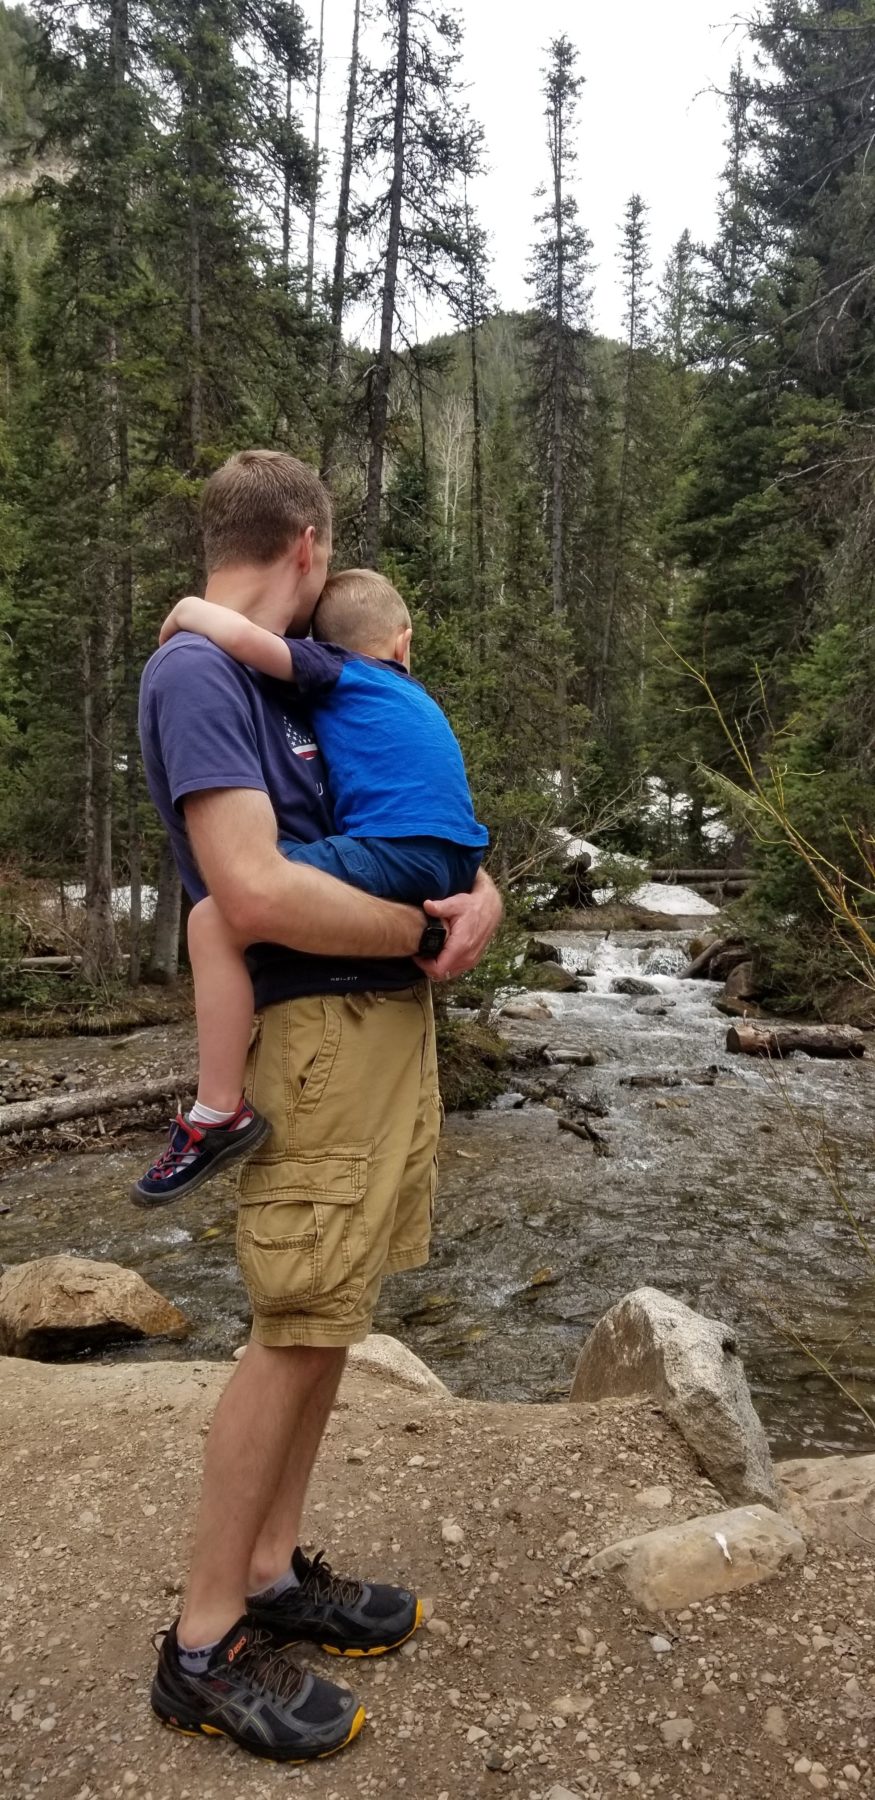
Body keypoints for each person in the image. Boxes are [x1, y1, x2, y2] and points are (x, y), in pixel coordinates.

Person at [136, 448, 502, 1765]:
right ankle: (204, 1641)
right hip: (312, 1032)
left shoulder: (310, 686)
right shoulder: (199, 674)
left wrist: (481, 898)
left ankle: (274, 1568)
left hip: (376, 1029)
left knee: (329, 1315)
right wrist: (419, 925)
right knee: (292, 1325)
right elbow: (250, 891)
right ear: (305, 545)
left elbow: (418, 817)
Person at [132, 567, 488, 1205]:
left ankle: (217, 1111)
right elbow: (433, 810)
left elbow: (251, 644)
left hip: (398, 864)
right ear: (405, 644)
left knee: (214, 916)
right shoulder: (413, 696)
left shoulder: (336, 671)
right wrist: (477, 892)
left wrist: (189, 610)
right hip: (456, 855)